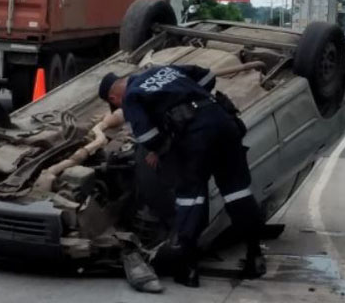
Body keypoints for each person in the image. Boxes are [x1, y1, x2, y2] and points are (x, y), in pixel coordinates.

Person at [99, 65, 267, 288]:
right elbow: (208, 76)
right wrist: (188, 100)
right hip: (224, 123)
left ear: (114, 97)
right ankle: (254, 255)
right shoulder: (161, 70)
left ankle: (188, 269)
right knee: (238, 192)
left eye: (116, 105)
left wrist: (159, 150)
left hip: (197, 136)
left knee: (190, 198)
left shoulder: (132, 97)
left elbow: (148, 135)